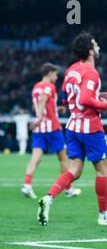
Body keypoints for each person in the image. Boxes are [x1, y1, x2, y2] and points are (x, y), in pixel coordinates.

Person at [37, 32, 107, 227]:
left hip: (73, 125)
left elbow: (68, 99)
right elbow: (84, 99)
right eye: (96, 45)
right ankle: (104, 215)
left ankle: (49, 197)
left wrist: (94, 94)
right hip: (90, 126)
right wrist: (102, 104)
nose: (98, 47)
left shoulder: (71, 70)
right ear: (90, 51)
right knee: (102, 170)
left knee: (75, 170)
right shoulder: (91, 71)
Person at [21, 63, 81, 199]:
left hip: (39, 129)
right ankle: (68, 188)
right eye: (55, 74)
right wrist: (40, 117)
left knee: (36, 158)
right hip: (52, 128)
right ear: (49, 73)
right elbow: (43, 99)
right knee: (64, 158)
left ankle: (27, 185)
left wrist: (55, 109)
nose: (56, 77)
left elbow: (42, 103)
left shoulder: (36, 87)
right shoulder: (49, 87)